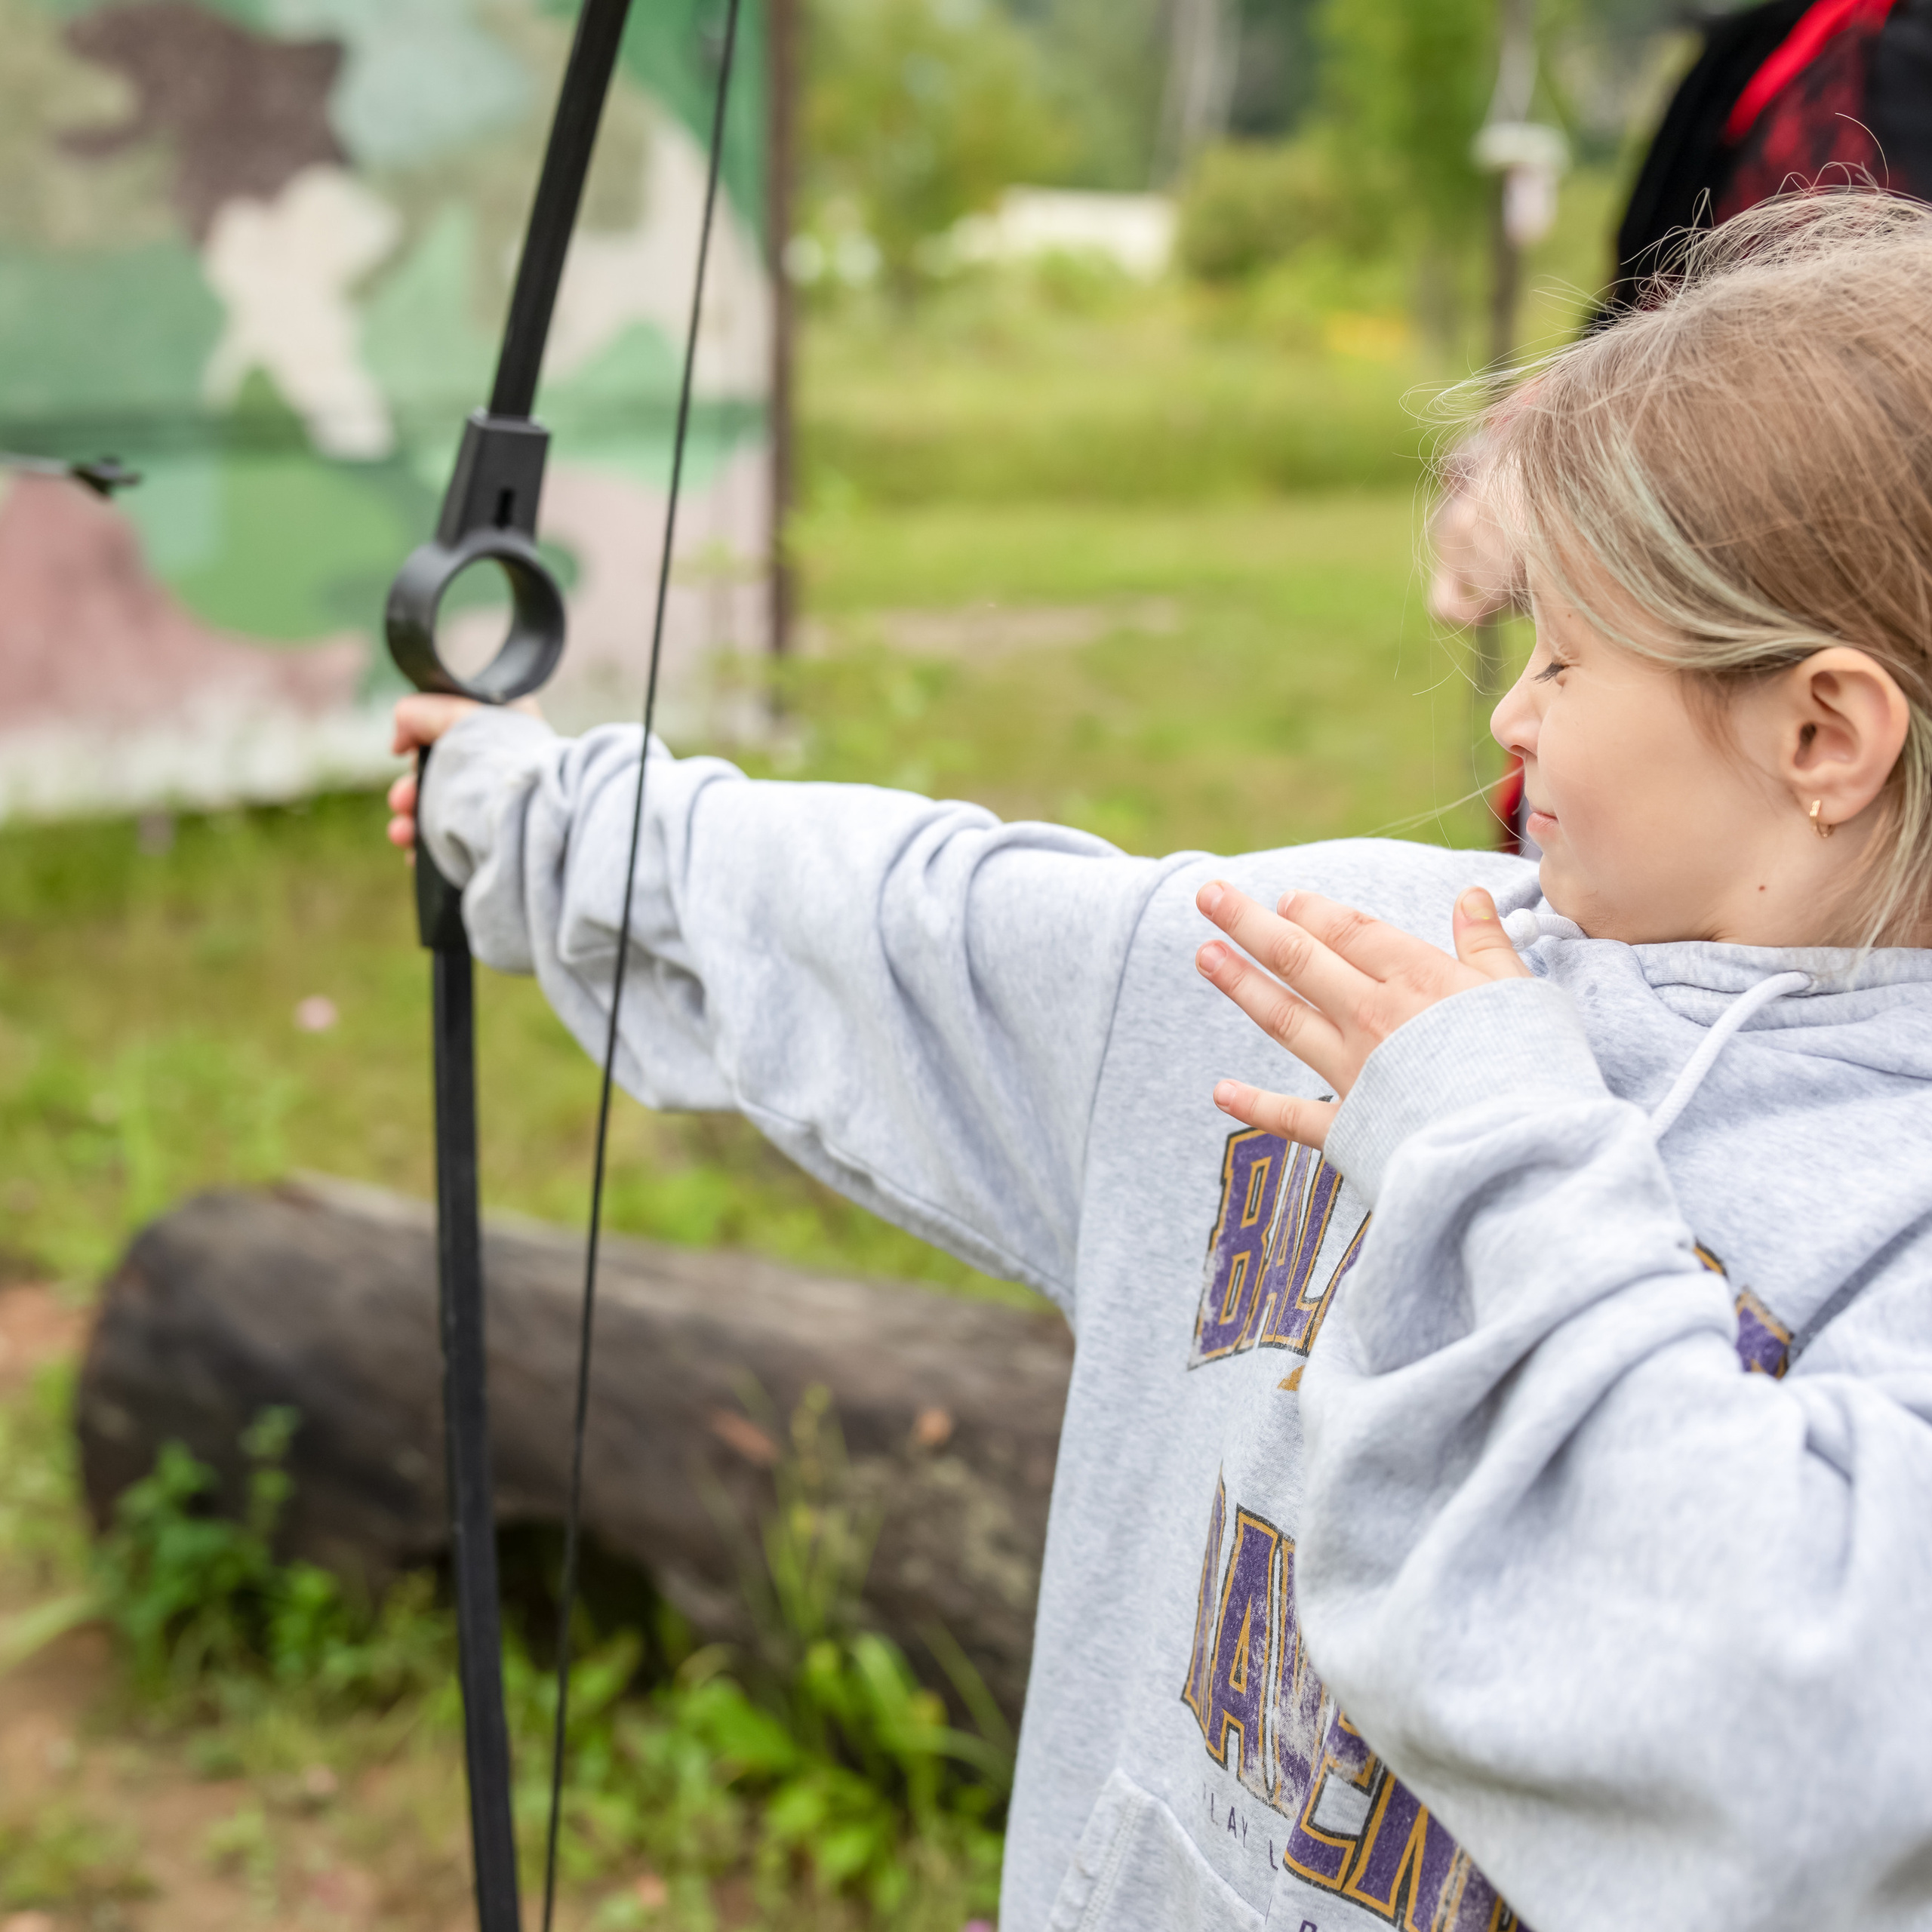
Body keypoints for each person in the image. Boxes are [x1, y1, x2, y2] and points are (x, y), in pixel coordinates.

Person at [386, 194, 1932, 1931]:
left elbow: (1815, 1736)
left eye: (1566, 656)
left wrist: (1489, 1138)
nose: (1508, 716)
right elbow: (934, 932)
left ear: (1820, 731)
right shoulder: (1341, 960)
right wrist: (543, 815)